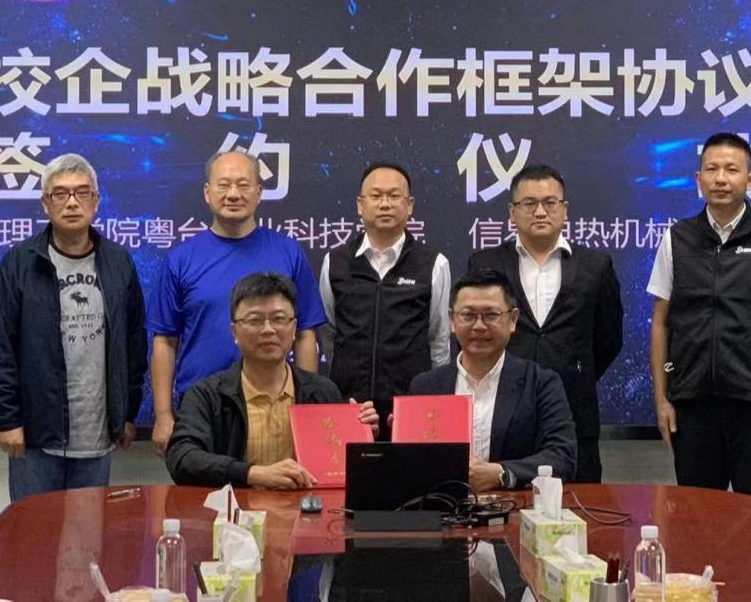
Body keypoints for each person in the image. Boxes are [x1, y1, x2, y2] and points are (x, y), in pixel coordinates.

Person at [647, 132, 751, 507]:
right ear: (698, 179)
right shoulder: (676, 239)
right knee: (697, 518)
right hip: (693, 408)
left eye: (732, 170)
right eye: (712, 169)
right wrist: (661, 400)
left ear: (749, 180)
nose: (721, 178)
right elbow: (661, 323)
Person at [0, 153, 147, 502]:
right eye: (60, 193)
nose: (72, 202)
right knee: (34, 532)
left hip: (97, 438)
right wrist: (7, 420)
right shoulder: (19, 264)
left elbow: (134, 343)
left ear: (95, 201)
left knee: (89, 534)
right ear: (45, 203)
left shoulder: (118, 262)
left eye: (82, 192)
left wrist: (127, 414)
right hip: (36, 438)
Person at [149, 150, 326, 458]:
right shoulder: (181, 259)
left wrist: (305, 409)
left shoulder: (288, 252)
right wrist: (163, 415)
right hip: (202, 409)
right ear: (207, 193)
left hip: (275, 410)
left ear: (259, 193)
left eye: (244, 185)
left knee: (280, 488)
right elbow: (165, 341)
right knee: (201, 487)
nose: (233, 194)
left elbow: (305, 334)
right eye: (224, 185)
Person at [466, 164, 623, 483]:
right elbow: (472, 333)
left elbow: (608, 339)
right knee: (501, 504)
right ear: (512, 212)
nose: (540, 212)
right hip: (502, 413)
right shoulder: (485, 263)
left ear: (565, 209)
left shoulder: (596, 266)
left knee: (578, 507)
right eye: (529, 203)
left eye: (550, 203)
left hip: (575, 414)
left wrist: (574, 371)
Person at [166, 272, 378, 488]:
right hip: (236, 508)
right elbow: (182, 458)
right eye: (255, 320)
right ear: (234, 332)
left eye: (279, 319)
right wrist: (252, 474)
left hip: (306, 508)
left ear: (294, 329)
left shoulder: (322, 392)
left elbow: (344, 471)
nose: (268, 330)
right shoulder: (207, 395)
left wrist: (360, 438)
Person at [407, 269, 576, 491]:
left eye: (491, 315)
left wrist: (501, 473)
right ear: (452, 320)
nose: (479, 326)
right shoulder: (425, 386)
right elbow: (410, 465)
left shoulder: (540, 383)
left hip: (514, 506)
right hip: (442, 506)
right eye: (468, 315)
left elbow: (563, 457)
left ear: (513, 319)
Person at [318, 162, 450, 438]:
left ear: (410, 205)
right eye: (376, 196)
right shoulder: (336, 262)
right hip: (350, 404)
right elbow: (329, 332)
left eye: (394, 196)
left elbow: (438, 339)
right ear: (360, 205)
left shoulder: (433, 263)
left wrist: (432, 396)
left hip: (409, 406)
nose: (385, 204)